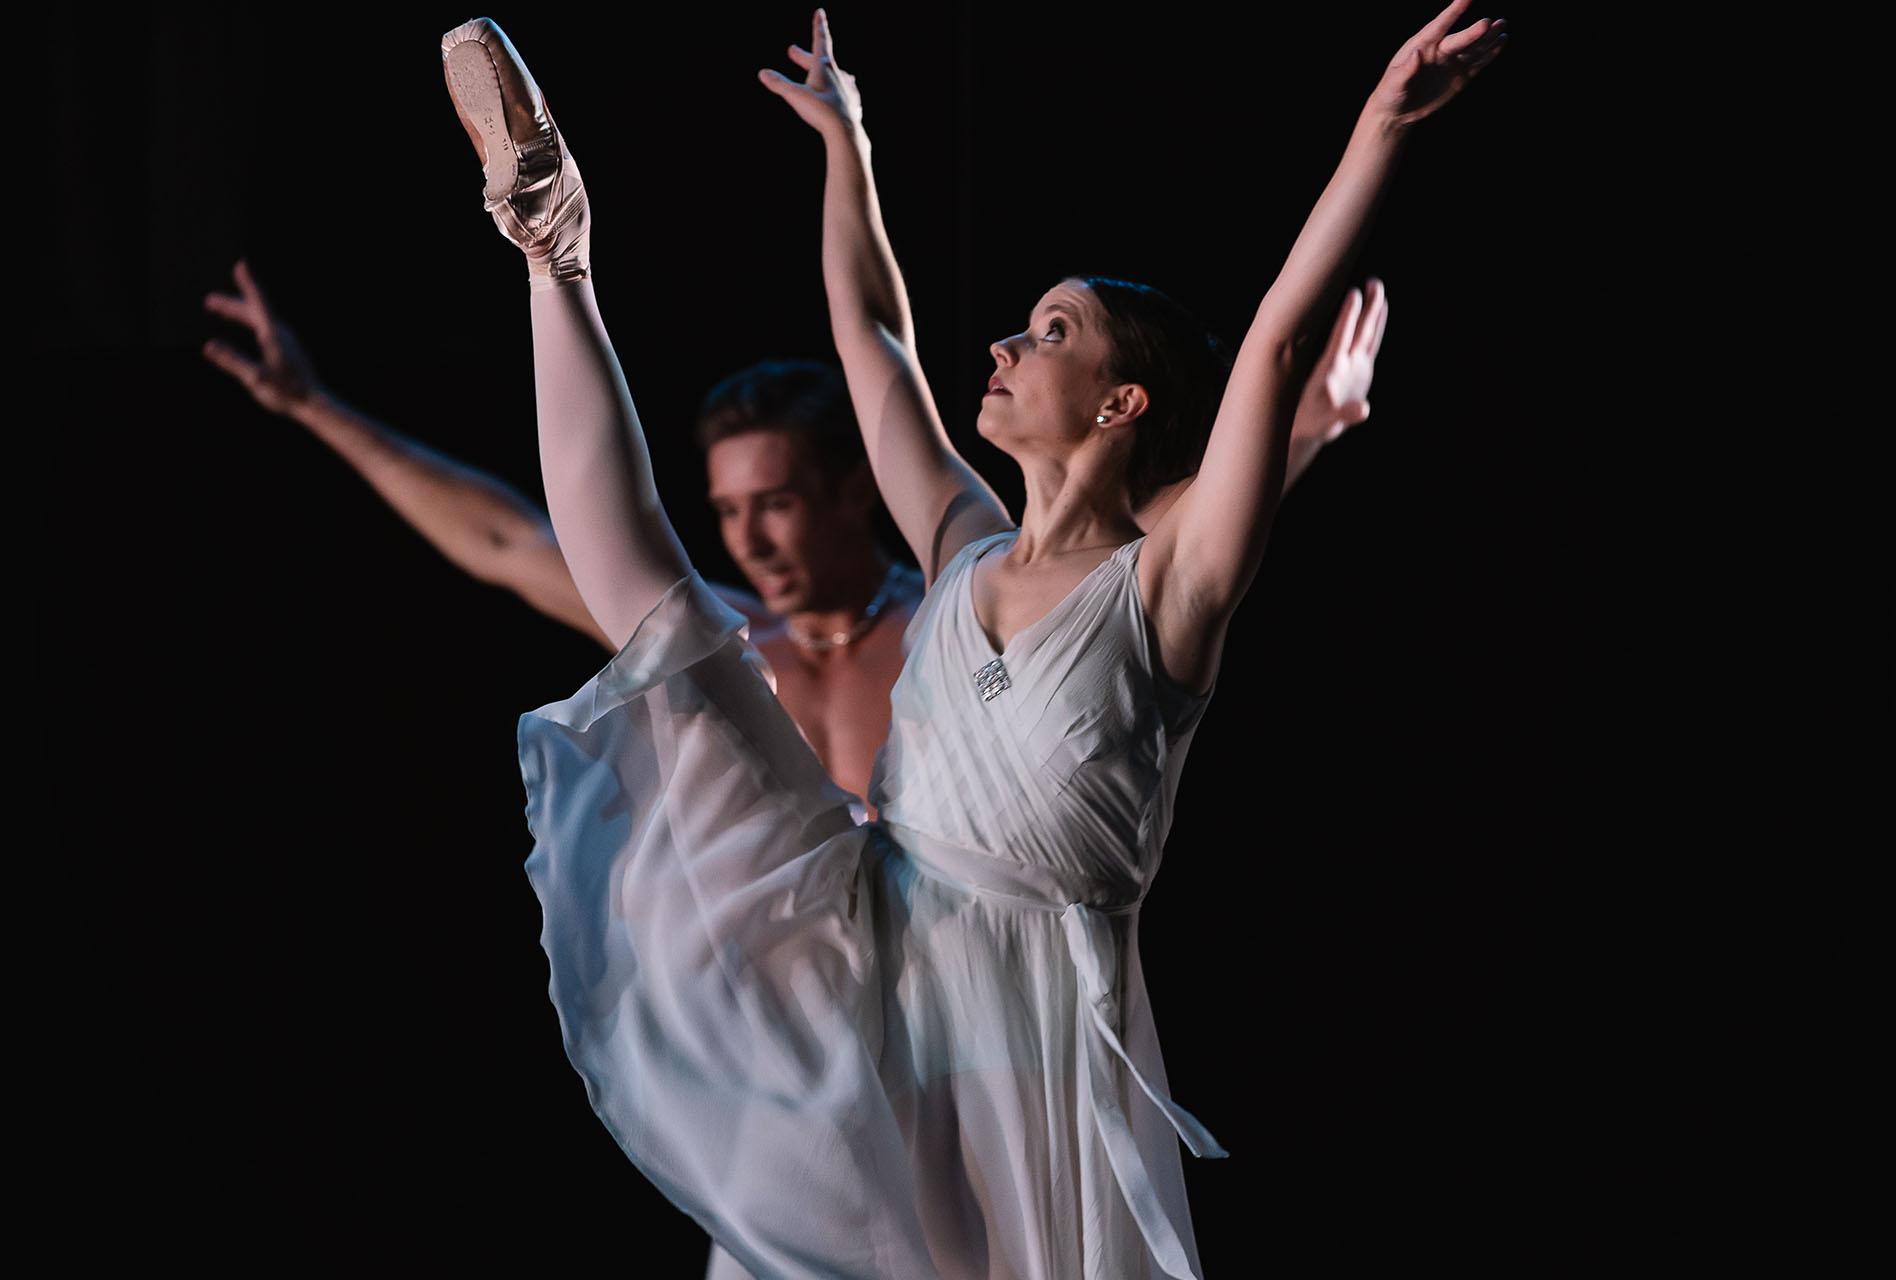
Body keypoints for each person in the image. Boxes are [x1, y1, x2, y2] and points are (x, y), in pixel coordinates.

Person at [444, 5, 1496, 1274]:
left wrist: (1377, 131)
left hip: (1024, 1030)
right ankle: (556, 247)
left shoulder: (1168, 587)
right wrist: (852, 148)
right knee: (668, 629)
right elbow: (875, 338)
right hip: (868, 941)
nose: (1003, 343)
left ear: (1122, 400)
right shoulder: (961, 542)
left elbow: (1272, 337)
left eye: (1052, 331)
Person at [200, 273, 919, 817]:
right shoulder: (719, 640)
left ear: (854, 491)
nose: (750, 542)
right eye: (728, 512)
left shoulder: (945, 624)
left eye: (777, 505)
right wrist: (312, 407)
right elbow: (506, 540)